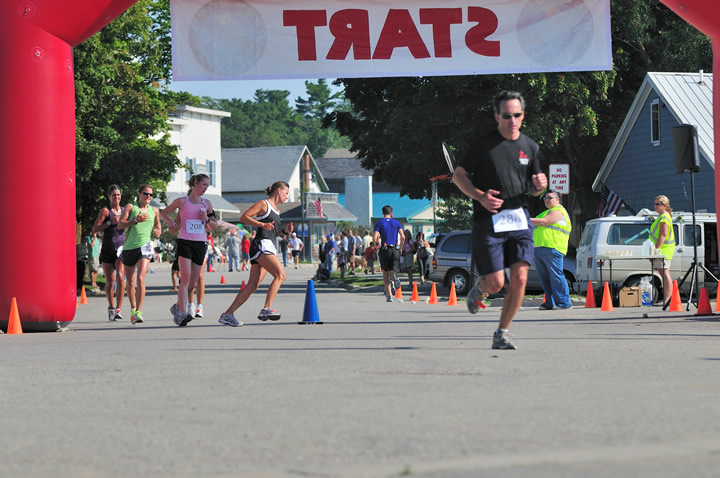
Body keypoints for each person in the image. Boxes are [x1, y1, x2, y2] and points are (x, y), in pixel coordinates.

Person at [453, 90, 547, 350]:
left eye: (517, 115)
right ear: (497, 116)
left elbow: (534, 188)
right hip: (489, 220)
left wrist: (539, 186)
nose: (512, 120)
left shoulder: (530, 147)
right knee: (496, 283)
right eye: (507, 116)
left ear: (523, 115)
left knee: (520, 278)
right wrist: (480, 196)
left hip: (519, 219)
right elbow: (459, 176)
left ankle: (502, 332)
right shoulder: (483, 145)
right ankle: (481, 289)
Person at [218, 181, 294, 326]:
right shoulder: (264, 204)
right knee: (280, 275)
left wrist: (284, 231)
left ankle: (227, 315)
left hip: (268, 244)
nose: (287, 196)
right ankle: (267, 308)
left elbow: (272, 231)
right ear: (278, 190)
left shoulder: (277, 210)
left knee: (252, 285)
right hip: (261, 244)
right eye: (286, 193)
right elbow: (244, 217)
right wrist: (261, 224)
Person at [161, 174, 218, 327]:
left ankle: (177, 307)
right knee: (185, 280)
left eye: (208, 185)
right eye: (204, 184)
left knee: (192, 283)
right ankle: (181, 313)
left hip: (200, 244)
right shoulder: (181, 202)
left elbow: (215, 225)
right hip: (185, 242)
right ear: (195, 183)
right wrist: (171, 223)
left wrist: (206, 218)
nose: (206, 188)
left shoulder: (207, 203)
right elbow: (163, 212)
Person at [118, 184, 162, 325]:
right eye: (145, 193)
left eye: (150, 195)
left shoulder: (154, 210)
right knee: (130, 281)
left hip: (146, 246)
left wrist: (157, 232)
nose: (148, 196)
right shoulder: (131, 207)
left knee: (140, 278)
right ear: (139, 193)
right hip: (130, 247)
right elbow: (120, 225)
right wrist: (135, 220)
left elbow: (157, 226)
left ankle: (138, 311)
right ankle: (132, 309)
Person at [530, 190, 573, 310]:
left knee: (556, 276)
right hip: (539, 248)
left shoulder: (559, 211)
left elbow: (544, 222)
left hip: (553, 247)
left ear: (557, 200)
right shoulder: (544, 213)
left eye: (550, 197)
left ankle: (564, 303)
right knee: (545, 278)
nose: (547, 200)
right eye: (545, 198)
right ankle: (550, 303)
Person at [92, 184, 126, 321]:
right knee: (110, 280)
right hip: (107, 249)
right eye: (114, 195)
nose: (116, 197)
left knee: (121, 277)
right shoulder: (105, 211)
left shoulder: (124, 211)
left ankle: (119, 308)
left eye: (118, 195)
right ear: (109, 196)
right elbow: (95, 228)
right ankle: (111, 307)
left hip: (121, 248)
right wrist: (108, 223)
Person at [373, 205, 405, 302]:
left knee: (385, 274)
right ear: (391, 213)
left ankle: (390, 296)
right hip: (395, 248)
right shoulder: (396, 223)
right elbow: (403, 237)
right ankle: (395, 276)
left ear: (383, 213)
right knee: (393, 270)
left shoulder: (379, 223)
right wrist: (401, 248)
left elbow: (375, 238)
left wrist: (376, 246)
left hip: (385, 249)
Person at [650, 195, 675, 305]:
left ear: (665, 205)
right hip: (662, 249)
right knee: (662, 272)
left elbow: (663, 234)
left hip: (663, 249)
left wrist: (656, 249)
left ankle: (668, 298)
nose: (655, 206)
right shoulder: (662, 216)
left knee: (665, 272)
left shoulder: (664, 217)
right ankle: (667, 297)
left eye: (658, 204)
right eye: (655, 204)